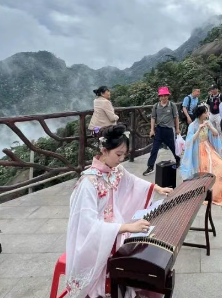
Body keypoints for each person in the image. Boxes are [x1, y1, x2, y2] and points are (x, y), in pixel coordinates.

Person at [66, 125, 173, 298]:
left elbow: (133, 182)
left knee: (142, 247)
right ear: (104, 151)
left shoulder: (114, 170)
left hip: (114, 227)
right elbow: (86, 225)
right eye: (118, 154)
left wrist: (157, 188)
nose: (121, 159)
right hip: (99, 237)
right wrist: (125, 227)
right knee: (133, 247)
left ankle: (130, 283)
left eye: (124, 154)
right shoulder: (88, 182)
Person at [180, 105, 222, 205]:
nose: (207, 114)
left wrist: (209, 126)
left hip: (208, 147)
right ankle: (205, 191)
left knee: (220, 164)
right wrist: (199, 129)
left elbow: (216, 134)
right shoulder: (192, 125)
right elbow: (189, 141)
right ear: (200, 114)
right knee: (204, 168)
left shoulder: (208, 122)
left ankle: (216, 191)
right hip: (198, 150)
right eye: (205, 112)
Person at [143, 87, 180, 176]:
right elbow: (153, 118)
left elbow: (176, 117)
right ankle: (150, 166)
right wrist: (152, 130)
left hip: (169, 130)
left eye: (165, 95)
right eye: (162, 96)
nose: (163, 97)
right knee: (154, 149)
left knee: (173, 148)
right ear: (159, 97)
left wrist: (177, 129)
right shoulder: (156, 106)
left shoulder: (172, 105)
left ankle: (178, 160)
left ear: (168, 96)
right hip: (159, 130)